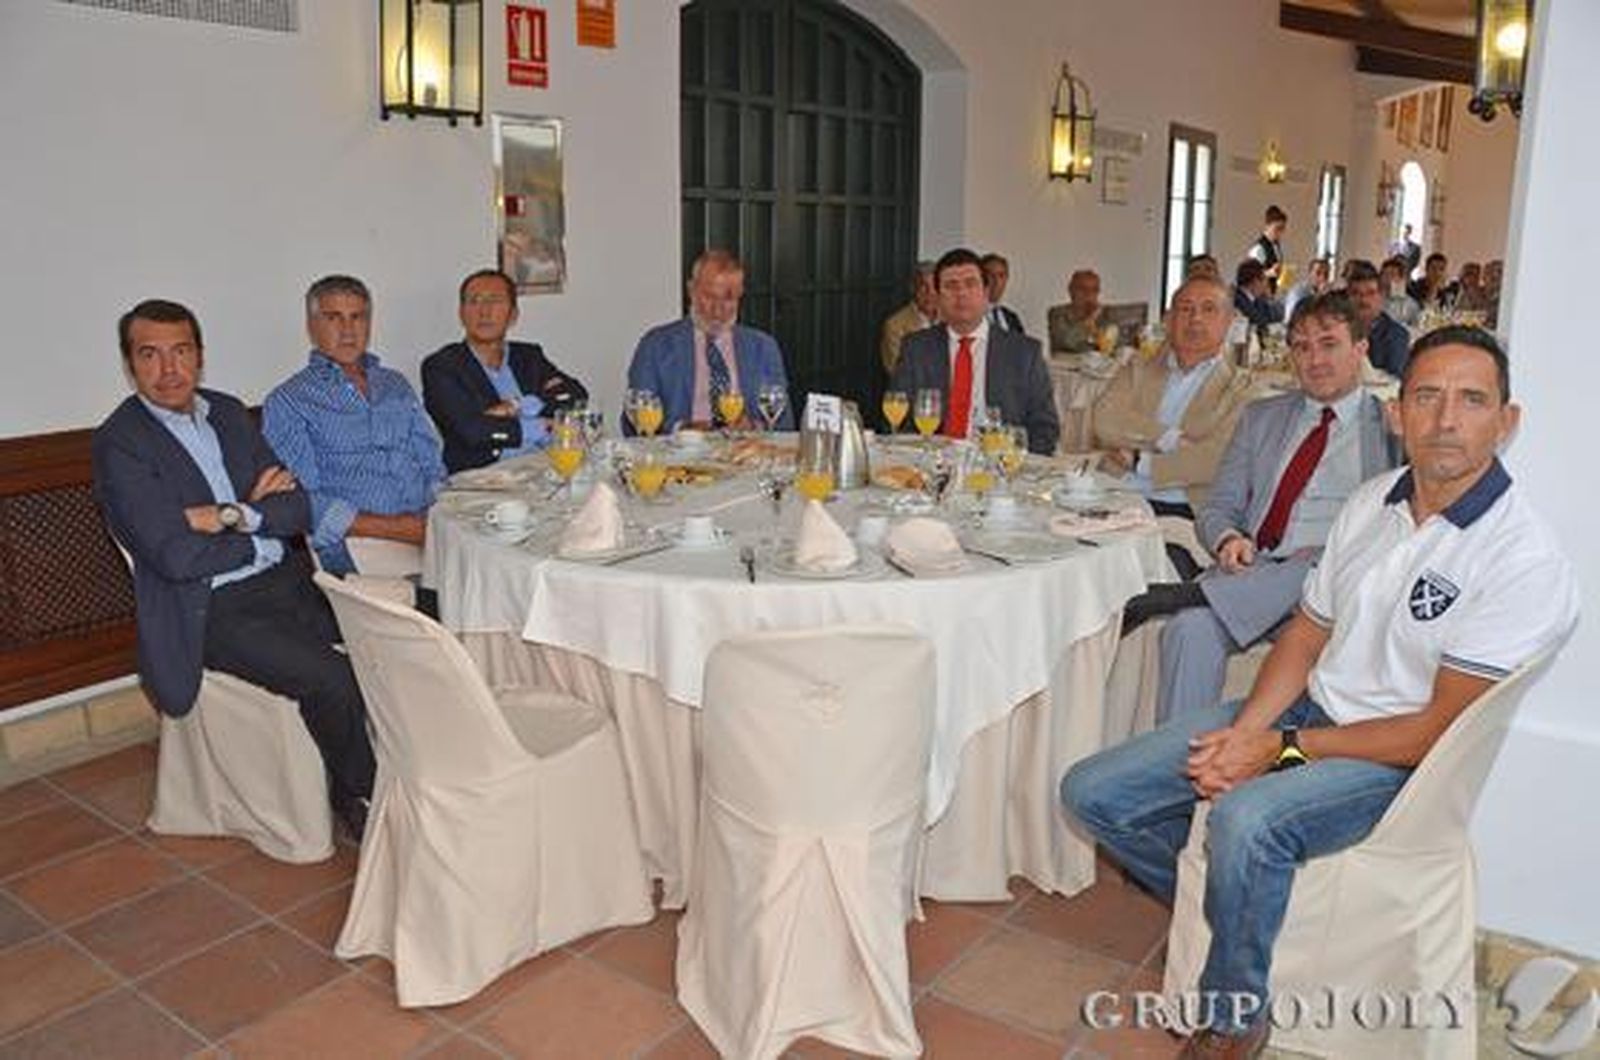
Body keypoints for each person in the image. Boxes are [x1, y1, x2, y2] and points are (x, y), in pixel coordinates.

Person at [1063, 327, 1578, 1059]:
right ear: (1396, 413)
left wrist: (1279, 751)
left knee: (1246, 819)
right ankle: (1234, 903)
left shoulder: (1520, 558)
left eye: (1472, 400)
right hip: (1311, 719)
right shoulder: (1373, 502)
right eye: (1427, 397)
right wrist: (1253, 732)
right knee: (1094, 791)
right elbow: (1307, 633)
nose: (1446, 419)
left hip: (1393, 763)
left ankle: (1235, 1014)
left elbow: (1434, 731)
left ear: (1508, 420)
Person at [92, 299, 375, 838]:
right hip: (211, 608)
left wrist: (224, 516)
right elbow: (174, 556)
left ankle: (419, 760)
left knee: (399, 623)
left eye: (181, 352)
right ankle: (359, 792)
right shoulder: (120, 443)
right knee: (331, 677)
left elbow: (297, 507)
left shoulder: (225, 411)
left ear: (200, 357)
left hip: (286, 581)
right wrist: (256, 531)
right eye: (150, 356)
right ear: (130, 365)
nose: (168, 369)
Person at [1123, 292, 1402, 721]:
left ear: (1360, 350)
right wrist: (1229, 538)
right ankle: (1177, 774)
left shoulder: (1389, 427)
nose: (1315, 359)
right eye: (1302, 347)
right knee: (1188, 630)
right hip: (1253, 570)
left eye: (1329, 344)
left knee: (1318, 562)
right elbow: (1219, 506)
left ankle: (1195, 593)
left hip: (1332, 587)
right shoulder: (1262, 417)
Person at [263, 275, 446, 575]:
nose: (348, 330)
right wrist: (400, 529)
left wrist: (439, 515)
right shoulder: (289, 401)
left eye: (358, 317)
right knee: (443, 606)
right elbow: (303, 502)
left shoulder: (395, 384)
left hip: (429, 529)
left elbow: (431, 461)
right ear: (312, 326)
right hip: (359, 542)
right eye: (334, 318)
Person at [1092, 275, 1255, 520]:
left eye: (1208, 309)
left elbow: (1218, 459)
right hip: (1114, 494)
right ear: (1168, 320)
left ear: (1230, 321)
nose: (1196, 318)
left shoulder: (1243, 386)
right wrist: (1170, 439)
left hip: (1183, 508)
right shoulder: (1138, 367)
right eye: (1186, 309)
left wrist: (1139, 462)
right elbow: (1104, 421)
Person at [890, 247, 1060, 454]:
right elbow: (899, 420)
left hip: (1000, 467)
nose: (961, 294)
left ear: (986, 292)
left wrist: (1011, 460)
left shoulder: (1024, 353)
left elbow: (1045, 429)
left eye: (970, 284)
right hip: (933, 464)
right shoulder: (916, 348)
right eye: (951, 286)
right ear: (938, 296)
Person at [421, 269, 588, 474]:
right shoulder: (442, 367)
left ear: (513, 315)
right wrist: (544, 425)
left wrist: (516, 406)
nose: (484, 311)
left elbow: (574, 395)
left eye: (495, 301)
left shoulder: (529, 356)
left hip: (543, 470)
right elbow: (472, 431)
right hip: (482, 482)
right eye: (474, 301)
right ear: (462, 314)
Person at [626, 248, 794, 433]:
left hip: (743, 454)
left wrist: (755, 427)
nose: (718, 310)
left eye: (728, 298)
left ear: (740, 294)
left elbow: (784, 423)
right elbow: (633, 422)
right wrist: (680, 429)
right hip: (680, 456)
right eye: (709, 297)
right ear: (691, 290)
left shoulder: (763, 347)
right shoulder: (656, 345)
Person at [1345, 260, 1410, 378]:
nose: (1363, 300)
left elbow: (1395, 381)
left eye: (1370, 293)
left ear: (1381, 296)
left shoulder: (1396, 335)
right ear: (1348, 297)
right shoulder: (1339, 330)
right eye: (1356, 293)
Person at [879, 261, 938, 376]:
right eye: (923, 286)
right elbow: (897, 370)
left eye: (934, 286)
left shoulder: (952, 319)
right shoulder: (895, 325)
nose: (930, 293)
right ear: (913, 289)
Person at [1048, 268, 1104, 354]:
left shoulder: (1105, 315)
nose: (1088, 294)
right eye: (1083, 289)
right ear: (1071, 290)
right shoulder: (1057, 314)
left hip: (1098, 365)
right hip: (1064, 365)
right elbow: (1067, 342)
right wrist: (1089, 319)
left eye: (1094, 290)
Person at [1232, 259, 1283, 333]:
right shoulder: (1238, 299)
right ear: (1255, 281)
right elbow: (1259, 321)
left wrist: (1270, 299)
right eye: (1264, 280)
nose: (1266, 285)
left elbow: (1279, 316)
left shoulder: (1257, 299)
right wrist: (1269, 299)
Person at [980, 252, 1026, 333]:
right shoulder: (970, 316)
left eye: (1001, 275)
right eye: (991, 275)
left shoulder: (1012, 318)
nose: (996, 281)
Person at [1245, 206, 1287, 291]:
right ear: (1267, 226)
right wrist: (1270, 272)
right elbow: (1250, 277)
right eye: (1277, 228)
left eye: (1282, 229)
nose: (1280, 233)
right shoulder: (1258, 249)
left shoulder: (1277, 246)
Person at [1380, 257, 1421, 327]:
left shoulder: (1410, 304)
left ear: (1400, 279)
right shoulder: (1372, 300)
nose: (1387, 278)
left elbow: (1416, 327)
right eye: (1385, 274)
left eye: (1392, 274)